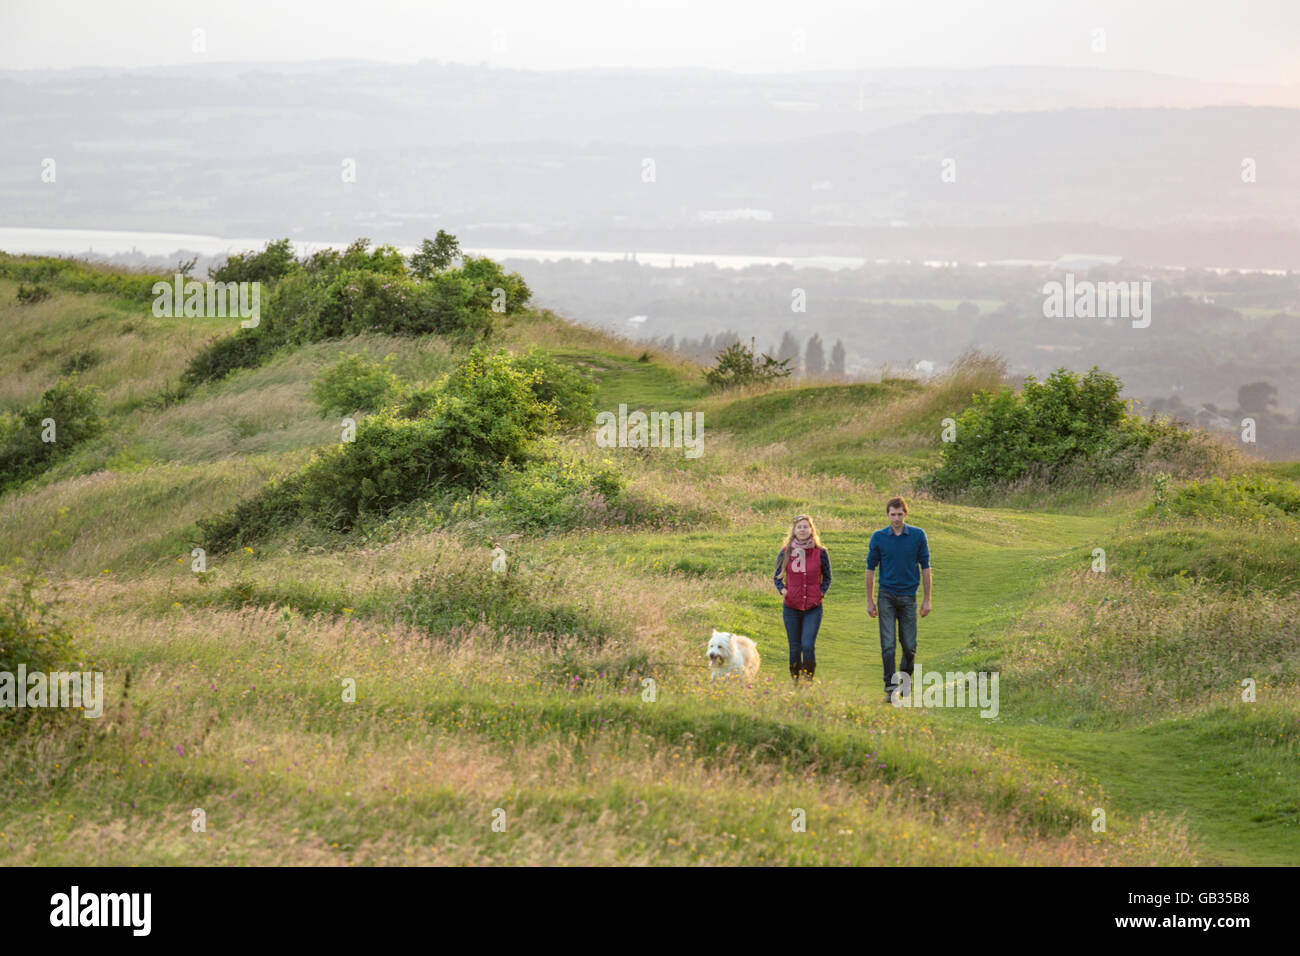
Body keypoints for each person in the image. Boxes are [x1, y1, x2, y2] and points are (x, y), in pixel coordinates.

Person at [865, 497, 931, 703]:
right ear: (887, 515)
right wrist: (869, 600)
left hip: (909, 598)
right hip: (886, 596)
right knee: (888, 645)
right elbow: (870, 570)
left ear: (905, 514)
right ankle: (890, 688)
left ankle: (905, 680)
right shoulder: (878, 537)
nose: (896, 518)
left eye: (900, 514)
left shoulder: (918, 536)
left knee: (909, 646)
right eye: (892, 514)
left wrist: (927, 599)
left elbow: (926, 568)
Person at [774, 514, 831, 683]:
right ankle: (795, 680)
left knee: (807, 645)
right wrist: (783, 590)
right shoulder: (785, 552)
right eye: (799, 527)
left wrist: (821, 593)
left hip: (813, 608)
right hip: (791, 607)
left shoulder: (821, 552)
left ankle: (808, 679)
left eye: (806, 527)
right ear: (794, 530)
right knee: (794, 647)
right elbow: (776, 577)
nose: (803, 530)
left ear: (811, 529)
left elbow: (828, 577)